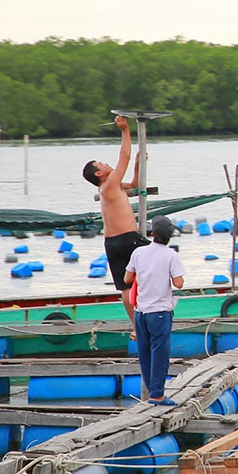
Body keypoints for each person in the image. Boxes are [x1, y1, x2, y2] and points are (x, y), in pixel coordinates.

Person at [82, 116, 146, 330]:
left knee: (126, 286)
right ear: (99, 174)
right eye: (102, 164)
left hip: (112, 243)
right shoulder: (108, 184)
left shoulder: (112, 186)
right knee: (159, 259)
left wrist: (138, 166)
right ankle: (153, 311)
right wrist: (125, 130)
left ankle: (136, 326)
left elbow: (135, 184)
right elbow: (124, 156)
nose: (107, 163)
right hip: (128, 239)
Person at [124, 216, 185, 406]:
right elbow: (179, 283)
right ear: (170, 237)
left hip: (140, 311)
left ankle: (152, 392)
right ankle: (157, 395)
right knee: (160, 353)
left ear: (152, 234)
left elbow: (127, 278)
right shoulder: (171, 255)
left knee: (145, 353)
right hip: (160, 312)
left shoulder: (138, 252)